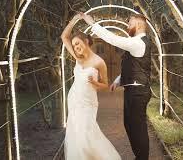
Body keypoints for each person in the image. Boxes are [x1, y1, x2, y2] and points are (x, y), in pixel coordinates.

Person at [80, 12, 152, 160]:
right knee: (130, 125)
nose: (128, 26)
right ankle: (139, 156)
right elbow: (131, 65)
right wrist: (118, 80)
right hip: (133, 89)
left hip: (138, 92)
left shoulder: (138, 42)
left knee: (137, 128)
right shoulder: (136, 42)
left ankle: (142, 158)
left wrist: (92, 24)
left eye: (130, 23)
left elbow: (112, 39)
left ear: (138, 24)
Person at [61, 13, 121, 160]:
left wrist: (95, 83)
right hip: (74, 100)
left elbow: (105, 85)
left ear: (86, 41)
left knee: (87, 134)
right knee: (75, 135)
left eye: (78, 44)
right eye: (74, 46)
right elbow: (64, 37)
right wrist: (74, 20)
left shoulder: (99, 62)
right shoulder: (77, 58)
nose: (75, 48)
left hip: (88, 103)